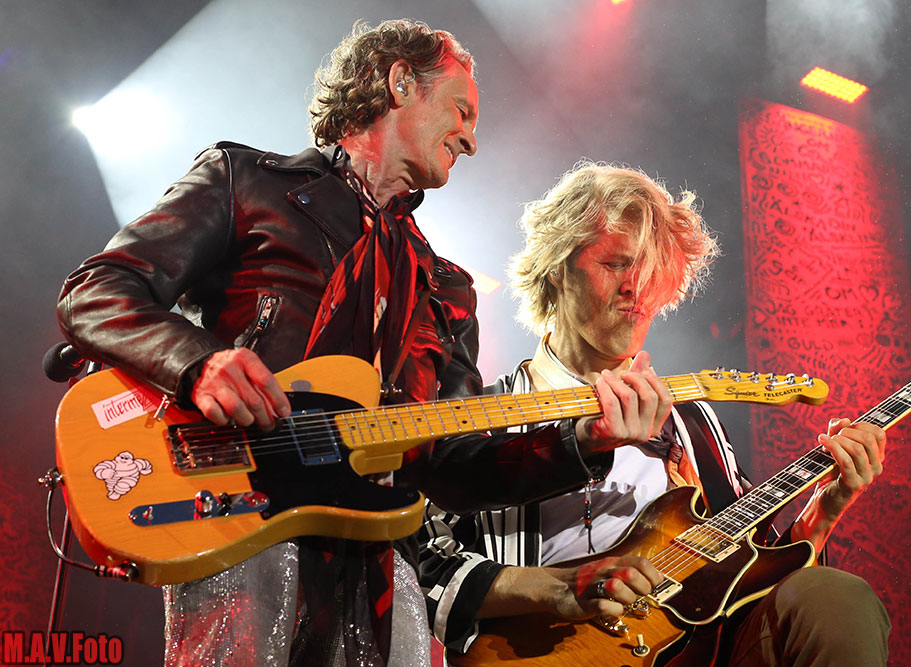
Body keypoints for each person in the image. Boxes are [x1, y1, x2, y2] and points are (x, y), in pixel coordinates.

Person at [56, 22, 669, 667]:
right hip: (242, 525)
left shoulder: (444, 288)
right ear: (401, 83)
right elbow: (95, 290)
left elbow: (451, 464)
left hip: (380, 565)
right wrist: (198, 363)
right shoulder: (248, 183)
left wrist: (583, 442)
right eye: (461, 111)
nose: (471, 139)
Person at [418, 162, 892, 665]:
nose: (636, 289)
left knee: (835, 597)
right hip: (544, 653)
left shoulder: (692, 423)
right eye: (616, 264)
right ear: (557, 267)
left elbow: (753, 575)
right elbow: (424, 569)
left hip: (702, 652)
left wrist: (824, 510)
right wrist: (559, 588)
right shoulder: (485, 417)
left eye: (650, 273)